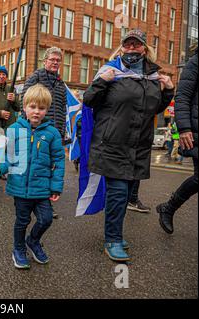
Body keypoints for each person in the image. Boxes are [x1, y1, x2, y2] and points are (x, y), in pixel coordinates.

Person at [83, 29, 174, 262]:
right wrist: (102, 82)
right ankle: (112, 239)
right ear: (122, 47)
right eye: (128, 45)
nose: (132, 48)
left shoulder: (152, 76)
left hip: (138, 145)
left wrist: (169, 90)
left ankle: (115, 235)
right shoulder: (110, 71)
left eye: (137, 45)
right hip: (112, 142)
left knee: (124, 195)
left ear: (145, 48)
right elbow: (89, 100)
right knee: (119, 191)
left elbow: (154, 109)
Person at [0, 84, 65, 269]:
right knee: (22, 221)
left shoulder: (52, 133)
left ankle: (33, 241)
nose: (36, 112)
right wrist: (0, 169)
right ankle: (18, 248)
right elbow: (8, 157)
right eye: (33, 107)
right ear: (25, 107)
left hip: (42, 187)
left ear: (47, 110)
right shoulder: (13, 130)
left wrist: (56, 186)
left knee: (46, 219)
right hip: (20, 187)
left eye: (41, 108)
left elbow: (59, 160)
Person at [157, 47, 198, 234]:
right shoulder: (195, 62)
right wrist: (184, 128)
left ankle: (168, 207)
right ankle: (169, 207)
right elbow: (182, 96)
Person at [22, 47, 67, 143]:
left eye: (58, 60)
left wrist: (62, 131)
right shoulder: (35, 77)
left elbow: (63, 109)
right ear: (45, 61)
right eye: (52, 59)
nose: (55, 62)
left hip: (56, 132)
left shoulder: (61, 83)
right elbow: (24, 102)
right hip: (38, 130)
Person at [0, 66, 18, 134]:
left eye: (4, 74)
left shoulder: (11, 89)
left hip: (10, 126)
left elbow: (18, 108)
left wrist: (14, 100)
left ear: (6, 77)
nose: (1, 76)